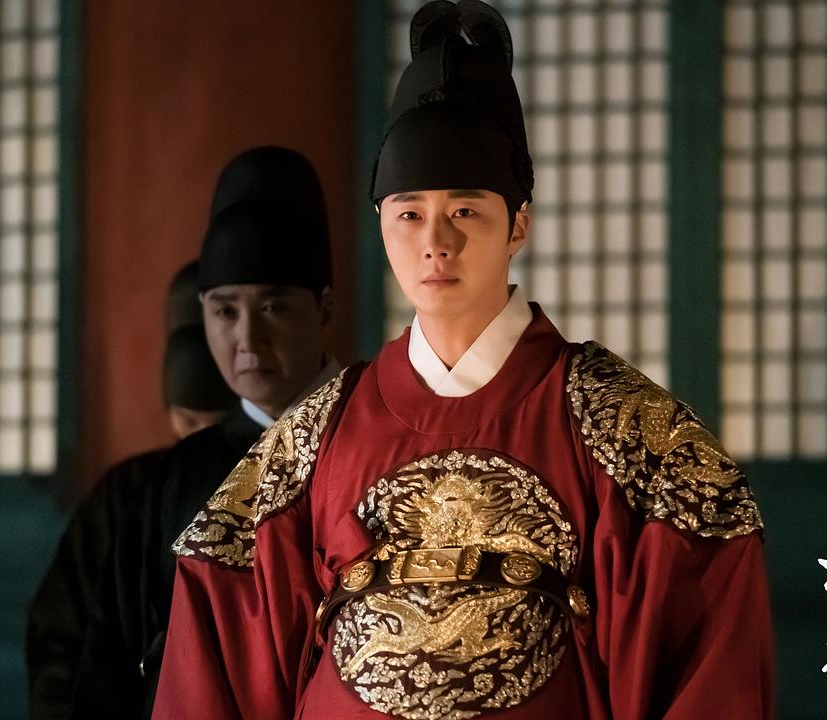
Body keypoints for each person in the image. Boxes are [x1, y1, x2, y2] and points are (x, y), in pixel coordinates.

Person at [153, 3, 774, 719]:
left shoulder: (625, 428)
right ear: (382, 225)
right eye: (409, 214)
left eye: (466, 212)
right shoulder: (317, 433)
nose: (435, 243)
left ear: (518, 225)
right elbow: (221, 619)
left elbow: (710, 645)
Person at [67, 145, 341, 718]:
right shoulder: (175, 477)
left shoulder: (374, 439)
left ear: (323, 309)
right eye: (224, 311)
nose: (248, 340)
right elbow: (111, 662)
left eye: (274, 308)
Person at [27, 261, 234, 720]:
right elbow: (60, 639)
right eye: (189, 421)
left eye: (217, 424)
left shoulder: (285, 480)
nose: (199, 441)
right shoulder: (126, 494)